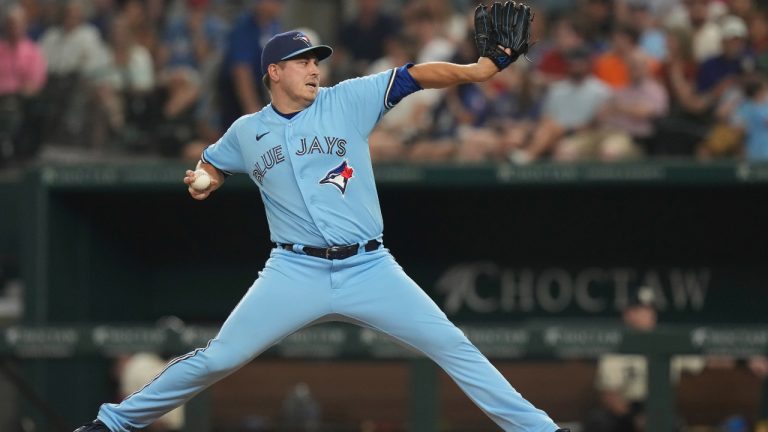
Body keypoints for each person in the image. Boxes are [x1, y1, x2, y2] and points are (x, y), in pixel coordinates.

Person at [73, 4, 570, 432]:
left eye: (316, 60)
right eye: (302, 62)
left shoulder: (347, 100)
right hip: (294, 270)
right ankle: (113, 423)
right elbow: (213, 163)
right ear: (274, 72)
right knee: (219, 357)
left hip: (369, 267)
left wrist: (477, 70)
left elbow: (413, 75)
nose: (314, 69)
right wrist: (206, 179)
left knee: (452, 345)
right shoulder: (248, 131)